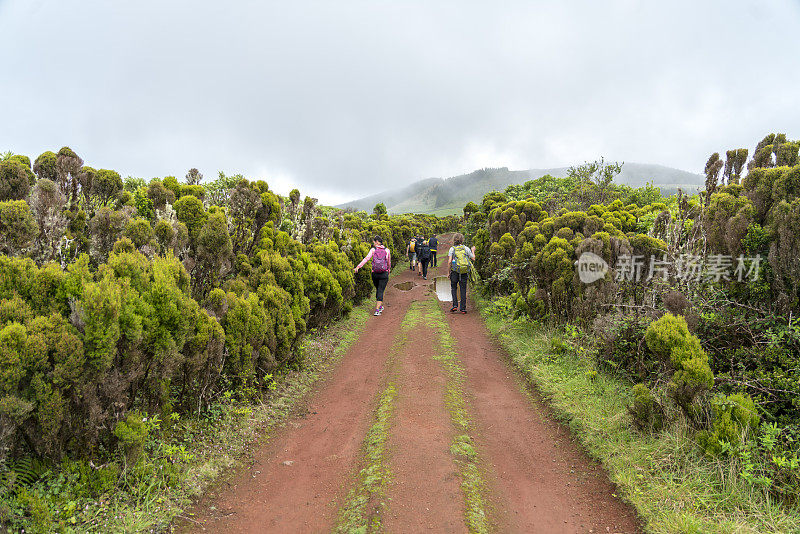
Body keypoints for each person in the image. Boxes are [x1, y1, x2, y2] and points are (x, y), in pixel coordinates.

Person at [354, 236, 392, 316]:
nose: (373, 243)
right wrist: (388, 270)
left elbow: (366, 258)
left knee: (378, 289)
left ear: (377, 242)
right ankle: (378, 309)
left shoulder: (373, 250)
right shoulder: (387, 250)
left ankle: (379, 307)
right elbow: (388, 262)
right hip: (384, 273)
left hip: (374, 273)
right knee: (380, 290)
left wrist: (358, 266)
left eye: (374, 242)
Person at [447, 233, 476, 313]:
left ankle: (455, 305)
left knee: (454, 287)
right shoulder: (466, 248)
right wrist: (473, 250)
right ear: (462, 240)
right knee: (463, 289)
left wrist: (448, 272)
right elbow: (473, 258)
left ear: (454, 240)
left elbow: (449, 262)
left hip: (455, 271)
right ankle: (463, 308)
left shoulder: (452, 249)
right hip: (464, 271)